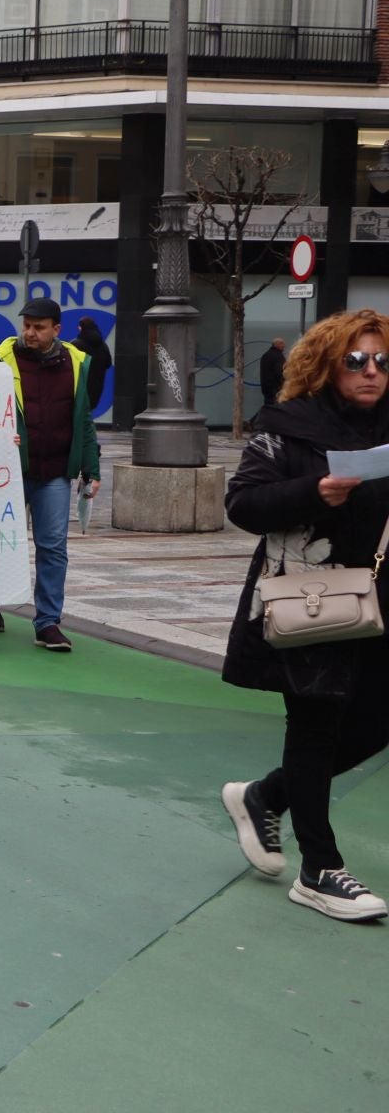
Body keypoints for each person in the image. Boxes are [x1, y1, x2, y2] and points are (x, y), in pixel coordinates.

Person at [220, 310, 389, 923]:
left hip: (379, 602)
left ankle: (266, 795)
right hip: (312, 599)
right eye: (356, 360)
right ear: (326, 364)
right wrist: (314, 491)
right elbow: (243, 503)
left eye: (381, 361)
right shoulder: (287, 427)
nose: (371, 372)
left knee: (374, 723)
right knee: (316, 724)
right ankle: (319, 870)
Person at [0, 298, 101, 652]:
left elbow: (85, 420)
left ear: (56, 330)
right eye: (27, 325)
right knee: (0, 541)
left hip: (56, 473)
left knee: (53, 548)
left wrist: (91, 468)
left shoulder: (77, 363)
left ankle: (48, 622)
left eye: (39, 327)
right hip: (8, 472)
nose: (30, 333)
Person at [73, 317, 112, 415]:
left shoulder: (76, 345)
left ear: (81, 328)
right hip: (96, 388)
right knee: (87, 415)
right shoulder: (103, 346)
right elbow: (108, 364)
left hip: (79, 388)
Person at [260, 336, 288, 408]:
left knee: (268, 406)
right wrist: (284, 385)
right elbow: (279, 373)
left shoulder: (265, 355)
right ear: (276, 345)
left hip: (265, 387)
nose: (284, 346)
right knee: (276, 407)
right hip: (275, 388)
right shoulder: (279, 356)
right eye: (281, 343)